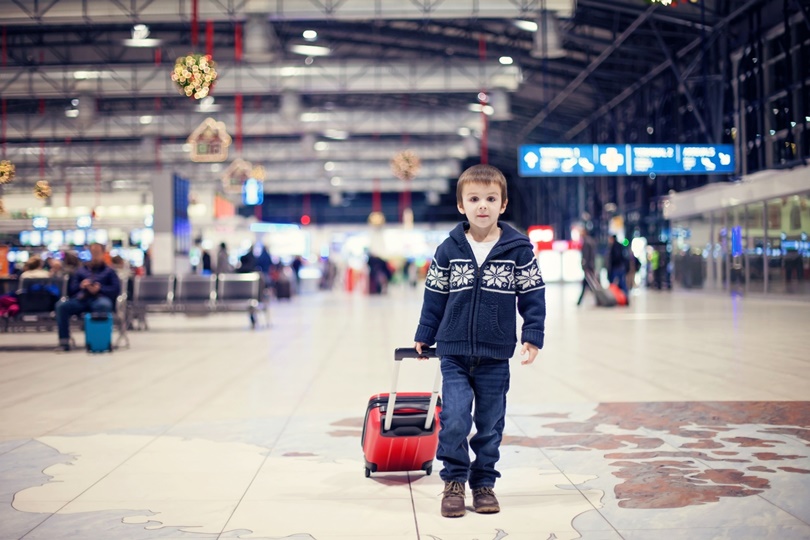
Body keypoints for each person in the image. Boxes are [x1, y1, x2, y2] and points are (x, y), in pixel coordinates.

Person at [413, 164, 546, 518]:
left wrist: (532, 335)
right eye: (474, 199)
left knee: (489, 424)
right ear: (461, 205)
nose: (482, 205)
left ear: (503, 204)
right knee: (455, 416)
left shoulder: (518, 250)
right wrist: (425, 335)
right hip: (453, 352)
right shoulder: (448, 249)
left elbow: (533, 295)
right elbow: (434, 297)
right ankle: (454, 479)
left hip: (495, 355)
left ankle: (483, 482)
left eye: (490, 198)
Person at [55, 243, 121, 351]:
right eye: (92, 252)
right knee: (61, 306)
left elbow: (115, 290)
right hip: (82, 298)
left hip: (100, 298)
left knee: (103, 306)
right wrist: (82, 286)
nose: (95, 255)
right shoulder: (80, 271)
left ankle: (100, 342)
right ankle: (64, 342)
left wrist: (100, 288)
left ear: (103, 253)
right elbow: (71, 289)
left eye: (97, 252)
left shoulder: (109, 271)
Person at [576, 226, 597, 306]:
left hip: (588, 267)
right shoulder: (590, 241)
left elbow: (586, 255)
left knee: (588, 284)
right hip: (590, 266)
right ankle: (579, 301)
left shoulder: (586, 242)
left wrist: (585, 265)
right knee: (588, 284)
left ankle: (580, 301)